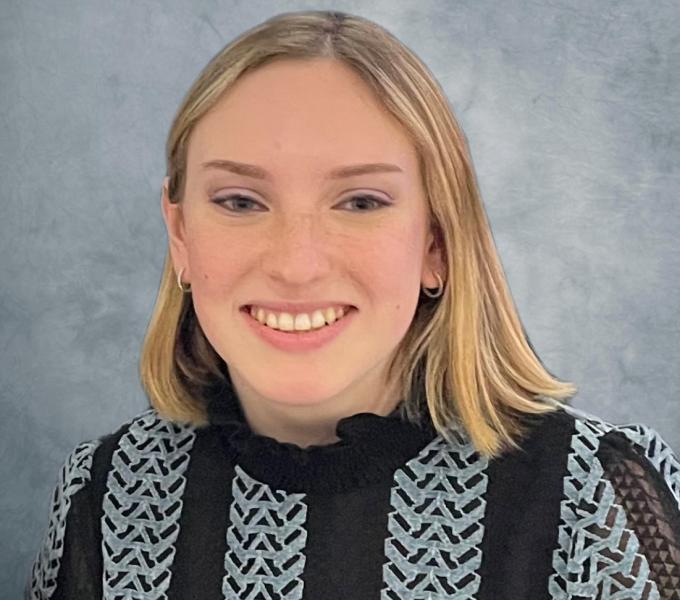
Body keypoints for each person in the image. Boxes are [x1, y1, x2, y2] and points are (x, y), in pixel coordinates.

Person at [26, 9, 680, 600]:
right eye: (240, 202)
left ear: (437, 242)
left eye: (361, 202)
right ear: (181, 236)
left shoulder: (597, 498)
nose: (296, 264)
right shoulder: (110, 489)